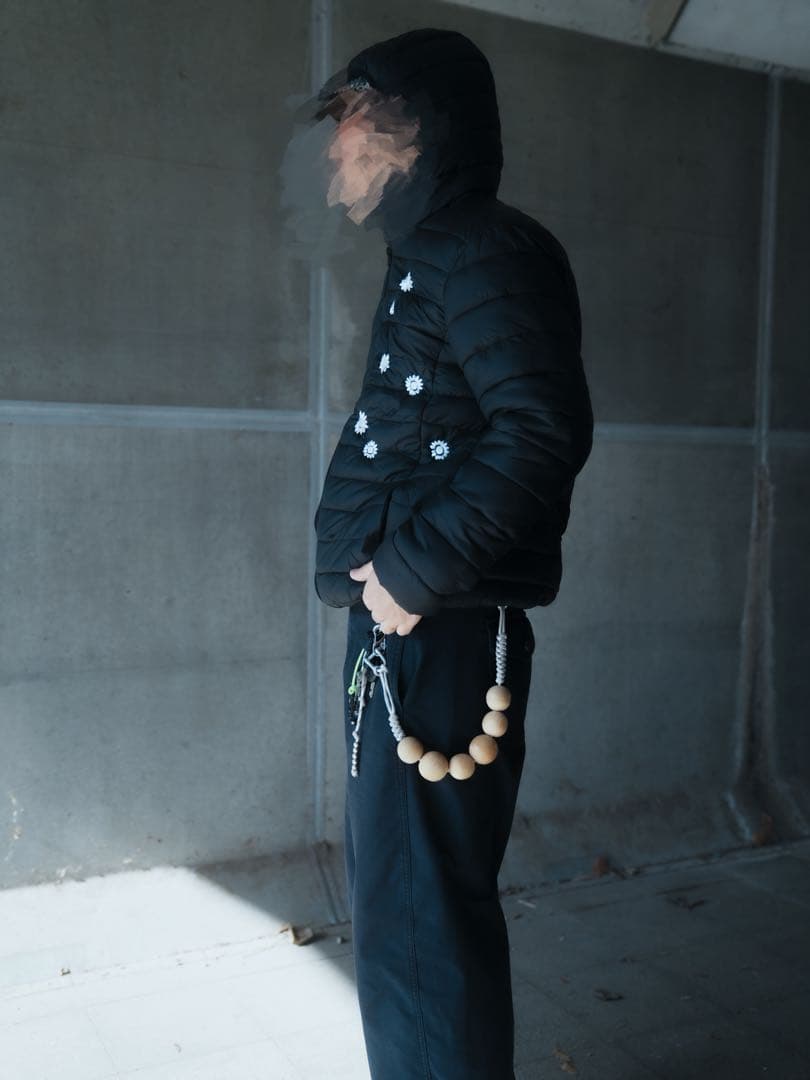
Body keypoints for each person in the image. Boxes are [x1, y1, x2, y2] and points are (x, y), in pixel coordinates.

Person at [309, 26, 594, 1080]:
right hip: (420, 635)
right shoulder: (440, 252)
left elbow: (541, 428)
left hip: (439, 634)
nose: (334, 150)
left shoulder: (480, 249)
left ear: (412, 128)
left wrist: (410, 571)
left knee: (421, 923)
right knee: (405, 913)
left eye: (349, 123)